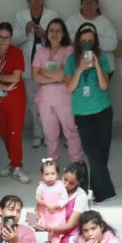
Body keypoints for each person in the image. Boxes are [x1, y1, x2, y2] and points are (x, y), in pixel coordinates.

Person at [66, 24, 116, 201]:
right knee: (92, 152)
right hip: (82, 112)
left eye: (90, 41)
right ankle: (106, 192)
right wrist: (80, 69)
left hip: (102, 110)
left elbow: (104, 86)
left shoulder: (102, 58)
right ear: (78, 42)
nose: (87, 44)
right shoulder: (72, 60)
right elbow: (70, 87)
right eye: (84, 41)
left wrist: (96, 64)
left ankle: (94, 188)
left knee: (102, 153)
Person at [13, 0, 57, 154]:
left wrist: (45, 34)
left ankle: (49, 134)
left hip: (48, 66)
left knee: (49, 101)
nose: (36, 0)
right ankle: (38, 134)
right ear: (28, 0)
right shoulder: (20, 16)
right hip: (30, 65)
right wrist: (25, 30)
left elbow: (60, 37)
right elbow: (14, 40)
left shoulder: (52, 14)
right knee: (33, 102)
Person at [33, 20, 82, 167]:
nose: (54, 34)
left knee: (71, 133)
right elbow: (36, 76)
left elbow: (66, 76)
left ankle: (76, 163)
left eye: (58, 31)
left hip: (65, 99)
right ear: (47, 33)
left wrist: (45, 72)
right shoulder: (41, 51)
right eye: (51, 31)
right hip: (45, 101)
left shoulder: (70, 50)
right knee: (50, 135)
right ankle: (52, 163)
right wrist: (57, 74)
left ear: (63, 34)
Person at [0, 23, 30, 182]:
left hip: (16, 98)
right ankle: (12, 162)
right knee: (4, 132)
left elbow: (16, 77)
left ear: (11, 38)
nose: (3, 41)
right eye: (0, 37)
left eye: (6, 38)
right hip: (0, 98)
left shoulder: (17, 53)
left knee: (14, 133)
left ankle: (18, 166)